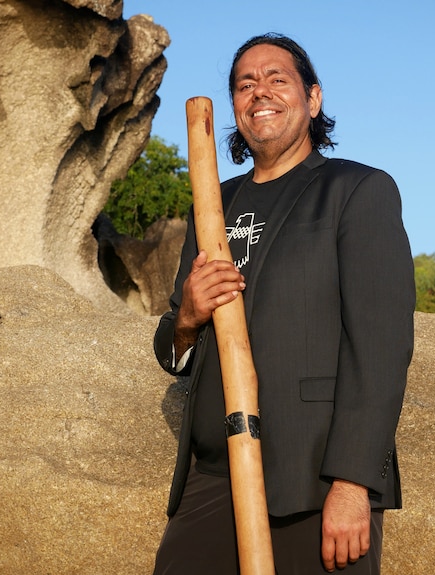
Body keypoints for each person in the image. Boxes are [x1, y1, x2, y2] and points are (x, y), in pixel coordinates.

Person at [152, 33, 415, 574]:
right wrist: (187, 318)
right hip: (214, 476)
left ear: (312, 99)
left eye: (278, 79)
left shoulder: (357, 191)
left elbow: (381, 350)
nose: (260, 92)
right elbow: (171, 347)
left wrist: (352, 484)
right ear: (234, 107)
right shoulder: (213, 202)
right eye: (245, 84)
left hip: (313, 481)